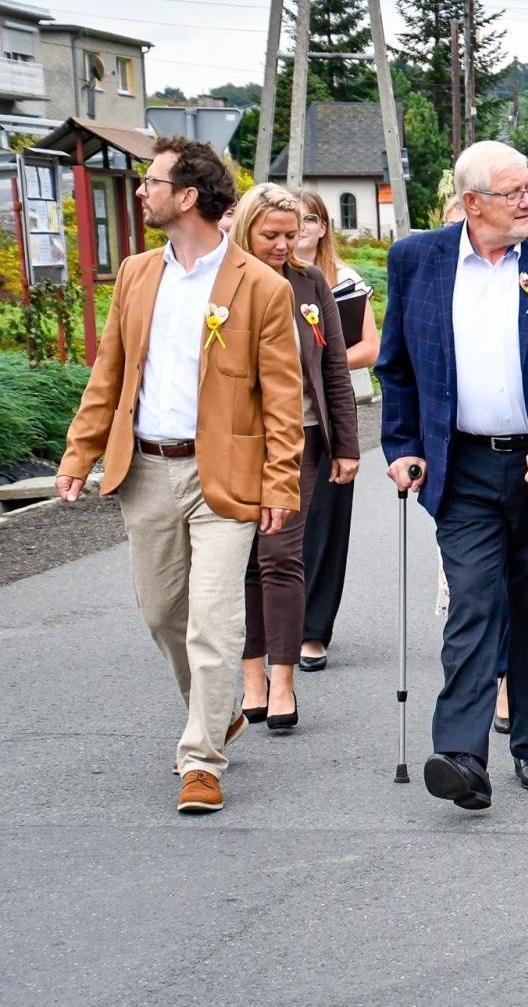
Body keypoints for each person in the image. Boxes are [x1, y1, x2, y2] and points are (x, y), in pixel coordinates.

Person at [54, 136, 303, 813]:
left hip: (224, 476)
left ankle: (201, 759)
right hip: (145, 471)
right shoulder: (137, 274)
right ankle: (215, 707)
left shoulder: (260, 286)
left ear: (188, 196)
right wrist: (80, 453)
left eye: (152, 182)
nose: (141, 191)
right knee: (163, 612)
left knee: (215, 620)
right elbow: (110, 374)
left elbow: (283, 399)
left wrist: (282, 482)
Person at [377, 140, 528, 810]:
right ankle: (461, 756)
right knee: (473, 602)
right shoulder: (417, 260)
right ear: (472, 203)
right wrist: (399, 444)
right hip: (463, 464)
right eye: (514, 192)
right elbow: (396, 366)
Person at [229, 184, 359, 730]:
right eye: (272, 235)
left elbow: (333, 370)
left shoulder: (310, 284)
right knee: (245, 561)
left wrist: (346, 445)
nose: (284, 245)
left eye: (291, 233)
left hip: (302, 441)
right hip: (235, 446)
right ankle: (250, 675)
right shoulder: (223, 283)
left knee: (282, 555)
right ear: (245, 232)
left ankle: (282, 681)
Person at [290, 187, 377, 671]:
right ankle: (275, 622)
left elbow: (371, 347)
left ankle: (314, 629)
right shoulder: (262, 278)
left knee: (325, 522)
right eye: (292, 220)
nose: (301, 229)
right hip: (281, 413)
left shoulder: (344, 280)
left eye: (309, 220)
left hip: (330, 411)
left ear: (323, 226)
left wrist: (323, 361)